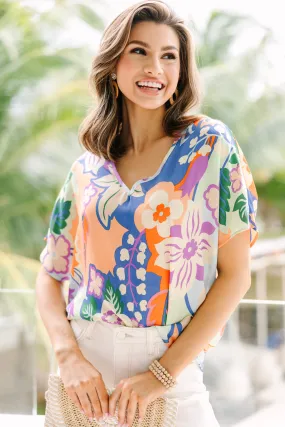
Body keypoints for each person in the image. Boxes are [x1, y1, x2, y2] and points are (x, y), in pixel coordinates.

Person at [35, 1, 259, 426]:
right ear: (113, 65)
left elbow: (237, 275)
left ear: (180, 71)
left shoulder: (210, 147)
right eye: (139, 51)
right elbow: (50, 271)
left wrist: (162, 373)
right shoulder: (88, 165)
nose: (154, 67)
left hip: (168, 369)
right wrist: (67, 356)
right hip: (84, 376)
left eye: (168, 55)